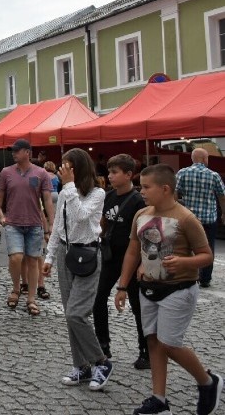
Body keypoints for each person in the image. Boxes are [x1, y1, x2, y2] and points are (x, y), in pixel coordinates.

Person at [115, 164, 222, 415]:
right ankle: (159, 400)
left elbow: (207, 256)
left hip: (179, 289)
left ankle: (208, 381)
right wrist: (122, 284)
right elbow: (133, 250)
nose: (142, 191)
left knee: (170, 343)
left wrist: (184, 262)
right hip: (147, 288)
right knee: (152, 341)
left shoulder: (186, 218)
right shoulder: (140, 214)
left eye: (146, 187)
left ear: (165, 189)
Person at [42, 148, 110, 390]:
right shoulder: (65, 193)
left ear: (78, 168)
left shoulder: (98, 193)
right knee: (70, 315)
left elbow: (81, 216)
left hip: (89, 254)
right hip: (65, 253)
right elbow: (58, 226)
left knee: (76, 313)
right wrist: (49, 256)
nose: (62, 171)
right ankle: (81, 366)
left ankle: (101, 361)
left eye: (67, 166)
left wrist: (69, 187)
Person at [93, 154, 148, 370]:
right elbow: (104, 222)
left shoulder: (138, 201)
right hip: (110, 257)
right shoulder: (108, 196)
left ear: (129, 175)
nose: (110, 176)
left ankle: (145, 350)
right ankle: (103, 347)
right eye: (109, 172)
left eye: (115, 172)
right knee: (98, 300)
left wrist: (142, 263)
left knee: (137, 305)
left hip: (132, 259)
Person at [0, 138, 54, 315]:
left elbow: (47, 200)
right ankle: (16, 288)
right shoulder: (6, 172)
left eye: (17, 150)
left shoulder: (41, 173)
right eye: (13, 151)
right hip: (13, 223)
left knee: (33, 260)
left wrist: (51, 223)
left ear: (27, 152)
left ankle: (31, 298)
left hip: (34, 223)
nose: (13, 153)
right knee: (16, 257)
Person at [175, 148, 225, 288]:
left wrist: (175, 207)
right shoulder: (213, 175)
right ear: (204, 159)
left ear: (192, 159)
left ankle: (188, 275)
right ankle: (205, 278)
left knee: (186, 247)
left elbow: (174, 192)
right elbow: (222, 196)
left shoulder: (182, 173)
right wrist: (224, 213)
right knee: (208, 248)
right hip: (209, 218)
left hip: (188, 219)